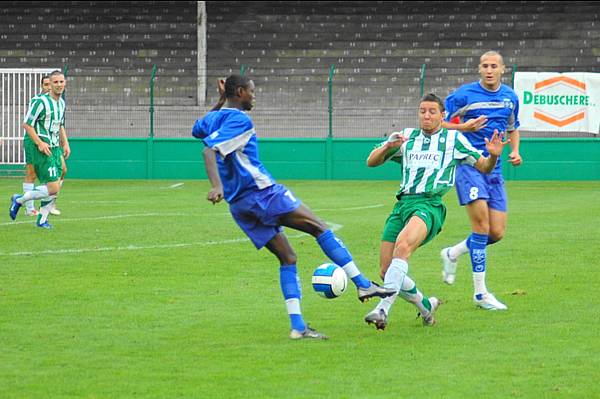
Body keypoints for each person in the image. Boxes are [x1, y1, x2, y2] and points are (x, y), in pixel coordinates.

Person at [192, 74, 396, 340]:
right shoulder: (241, 120)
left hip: (240, 206)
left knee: (288, 258)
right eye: (251, 91)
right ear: (240, 92)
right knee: (319, 227)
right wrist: (216, 185)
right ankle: (363, 285)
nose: (254, 96)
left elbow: (199, 131)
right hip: (262, 194)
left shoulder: (214, 117)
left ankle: (298, 326)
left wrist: (221, 99)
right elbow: (209, 150)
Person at [364, 93, 509, 330]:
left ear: (443, 116)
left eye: (432, 111)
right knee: (385, 270)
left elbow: (483, 166)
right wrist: (389, 146)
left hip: (429, 205)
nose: (427, 116)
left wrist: (493, 155)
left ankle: (382, 309)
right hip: (402, 205)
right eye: (422, 111)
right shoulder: (407, 136)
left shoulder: (454, 140)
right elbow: (371, 161)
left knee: (402, 248)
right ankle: (426, 308)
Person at [439, 50, 522, 310]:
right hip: (469, 166)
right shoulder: (464, 95)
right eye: (484, 65)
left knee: (496, 233)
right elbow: (437, 123)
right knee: (481, 228)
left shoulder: (510, 96)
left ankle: (452, 253)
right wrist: (464, 127)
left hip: (494, 169)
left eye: (493, 66)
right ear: (479, 69)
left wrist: (515, 150)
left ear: (502, 69)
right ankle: (480, 294)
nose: (489, 70)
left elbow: (513, 127)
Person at [9, 70, 70, 228]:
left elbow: (59, 125)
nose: (58, 85)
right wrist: (40, 143)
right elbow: (27, 124)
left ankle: (41, 220)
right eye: (55, 82)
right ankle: (20, 200)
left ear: (65, 83)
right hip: (44, 148)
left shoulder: (61, 103)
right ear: (50, 84)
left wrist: (66, 143)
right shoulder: (40, 102)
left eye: (61, 82)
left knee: (57, 182)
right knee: (53, 187)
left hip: (56, 148)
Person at [22, 75, 51, 216]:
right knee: (31, 173)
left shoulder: (57, 103)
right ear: (42, 86)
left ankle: (46, 206)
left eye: (50, 84)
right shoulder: (37, 101)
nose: (48, 87)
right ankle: (29, 208)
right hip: (33, 141)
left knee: (54, 174)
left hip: (49, 142)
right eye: (46, 85)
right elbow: (28, 123)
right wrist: (38, 142)